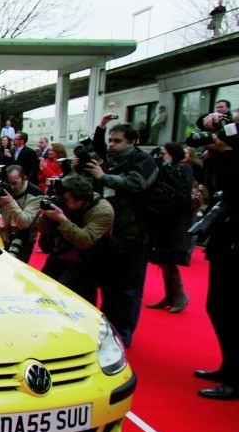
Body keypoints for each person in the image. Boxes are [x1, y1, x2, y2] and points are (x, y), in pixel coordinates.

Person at [77, 115, 157, 347]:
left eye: (117, 141)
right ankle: (109, 328)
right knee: (109, 285)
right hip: (110, 233)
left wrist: (103, 176)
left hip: (133, 234)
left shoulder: (143, 160)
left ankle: (123, 333)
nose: (111, 144)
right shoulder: (111, 161)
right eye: (110, 140)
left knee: (128, 288)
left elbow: (136, 184)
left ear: (132, 142)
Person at [193, 116, 238, 399]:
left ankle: (234, 378)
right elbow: (213, 181)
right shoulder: (225, 159)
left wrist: (229, 151)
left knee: (229, 309)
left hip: (234, 245)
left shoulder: (233, 159)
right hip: (225, 242)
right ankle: (229, 368)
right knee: (219, 307)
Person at [37, 174, 115, 305]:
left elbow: (85, 241)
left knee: (68, 299)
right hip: (60, 253)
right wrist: (46, 214)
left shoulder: (102, 210)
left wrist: (62, 219)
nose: (62, 202)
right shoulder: (65, 203)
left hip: (85, 260)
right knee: (43, 291)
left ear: (81, 200)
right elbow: (42, 229)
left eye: (65, 200)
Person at [145, 142, 195, 313]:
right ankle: (171, 296)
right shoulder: (162, 168)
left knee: (169, 259)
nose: (162, 156)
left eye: (164, 153)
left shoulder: (185, 169)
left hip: (176, 221)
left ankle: (180, 295)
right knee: (162, 259)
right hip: (161, 218)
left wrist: (166, 168)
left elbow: (181, 191)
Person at [0, 164, 42, 262]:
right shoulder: (4, 188)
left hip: (23, 240)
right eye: (8, 183)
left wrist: (10, 203)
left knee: (17, 269)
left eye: (15, 183)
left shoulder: (36, 194)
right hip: (3, 236)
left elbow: (24, 223)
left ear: (24, 179)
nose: (11, 187)